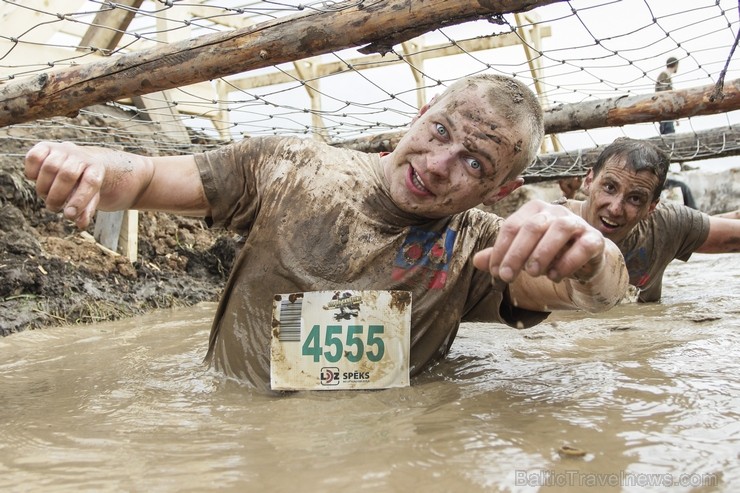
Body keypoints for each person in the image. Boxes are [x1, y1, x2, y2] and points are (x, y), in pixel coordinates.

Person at [24, 74, 628, 390]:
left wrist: (589, 254)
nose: (438, 165)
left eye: (475, 163)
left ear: (498, 192)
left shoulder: (480, 247)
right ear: (419, 114)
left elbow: (597, 298)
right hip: (236, 418)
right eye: (441, 131)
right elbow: (148, 177)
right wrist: (95, 163)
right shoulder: (288, 167)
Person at [558, 137, 740, 303]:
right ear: (589, 181)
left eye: (635, 198)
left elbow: (733, 236)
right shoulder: (551, 225)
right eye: (609, 187)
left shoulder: (665, 225)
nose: (615, 208)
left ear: (651, 207)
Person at [655, 56, 679, 135]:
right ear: (675, 65)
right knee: (669, 135)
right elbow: (664, 95)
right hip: (665, 113)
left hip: (667, 113)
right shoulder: (664, 75)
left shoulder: (666, 76)